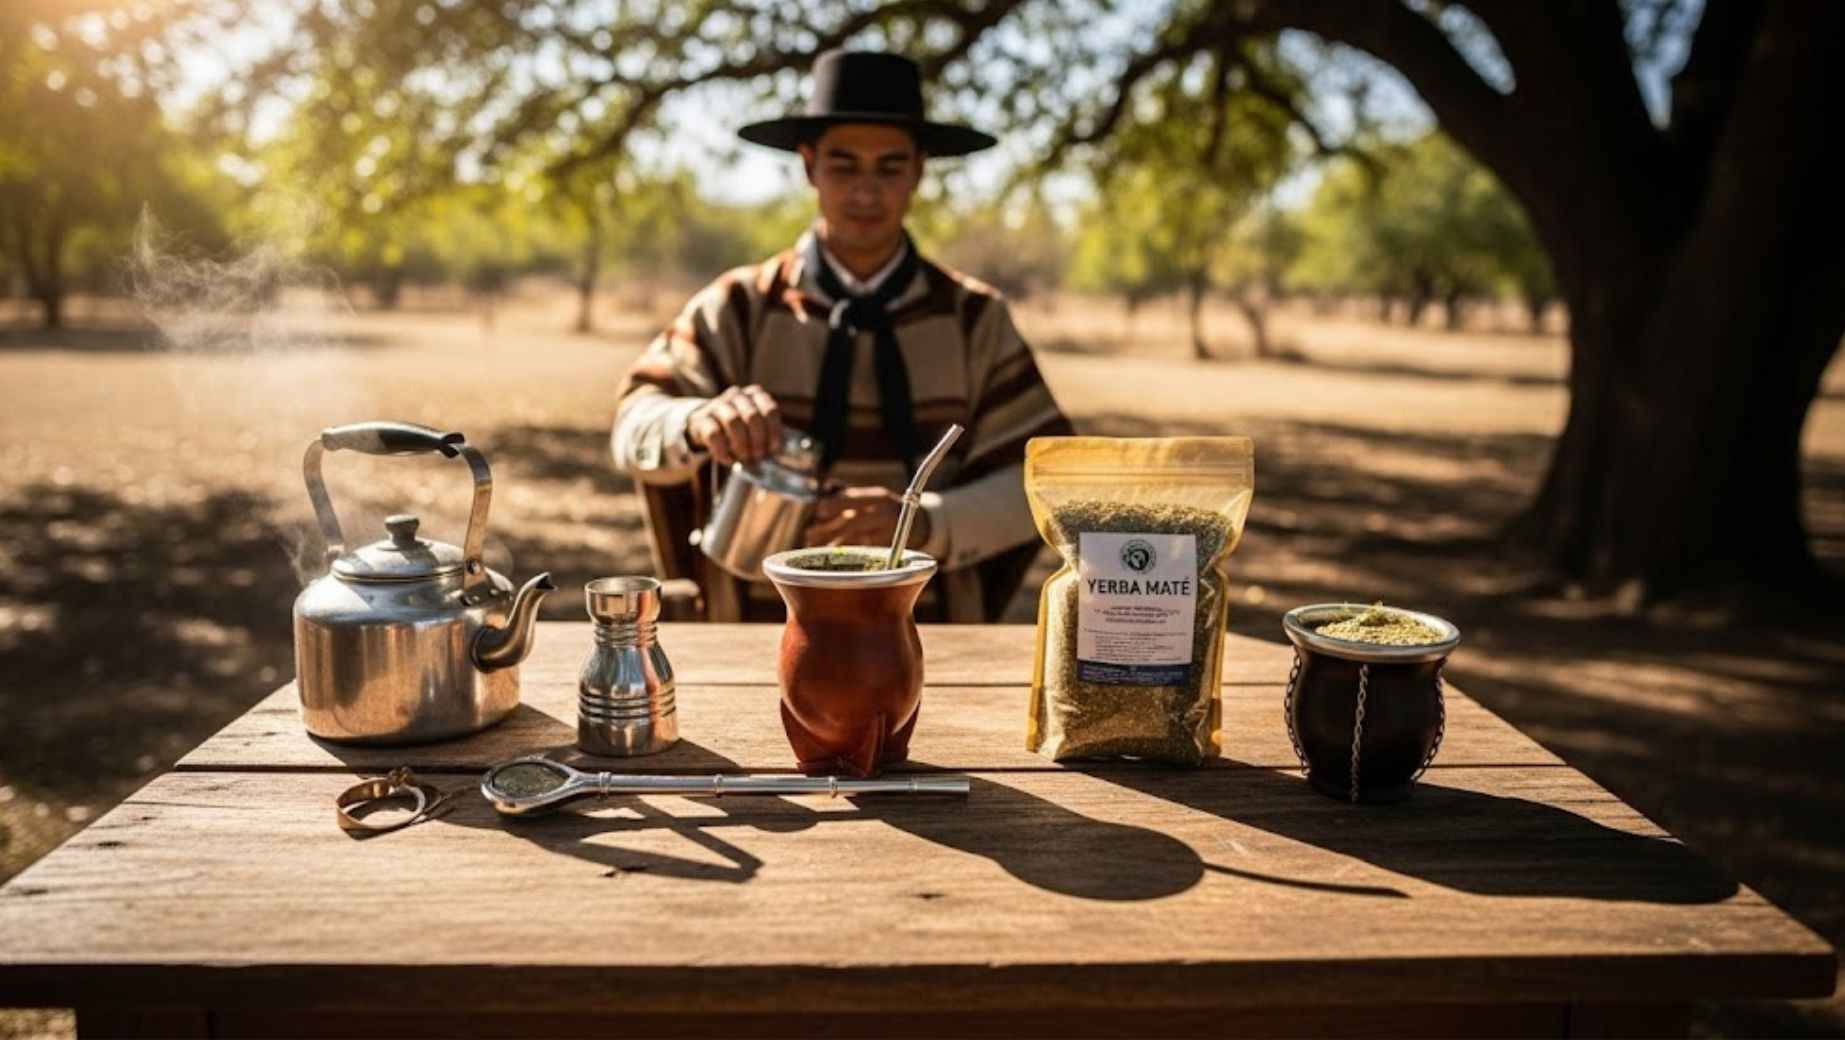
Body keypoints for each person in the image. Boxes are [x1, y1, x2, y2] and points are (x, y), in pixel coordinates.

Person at [611, 49, 1073, 622]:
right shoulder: (739, 305)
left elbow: (1047, 485)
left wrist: (927, 521)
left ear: (919, 171)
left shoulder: (974, 319)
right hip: (751, 636)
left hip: (932, 640)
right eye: (844, 165)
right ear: (809, 167)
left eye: (889, 168)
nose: (865, 193)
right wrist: (699, 420)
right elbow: (632, 427)